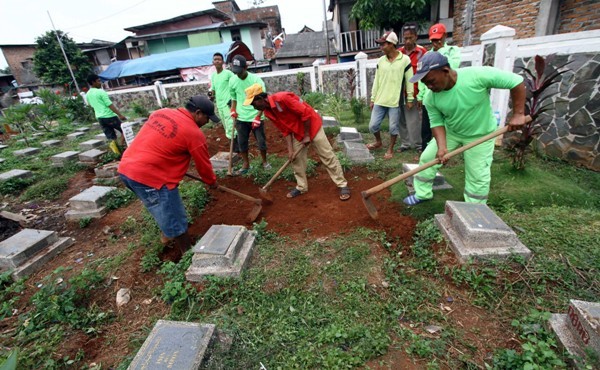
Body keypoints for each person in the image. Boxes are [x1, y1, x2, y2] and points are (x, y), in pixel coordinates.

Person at [404, 52, 526, 206]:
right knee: (427, 158)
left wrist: (518, 114)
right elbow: (437, 123)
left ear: (446, 71)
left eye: (431, 81)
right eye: (425, 83)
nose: (429, 86)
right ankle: (422, 193)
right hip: (452, 132)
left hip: (481, 135)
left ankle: (475, 209)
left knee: (477, 174)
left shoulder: (476, 76)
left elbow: (515, 81)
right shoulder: (430, 97)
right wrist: (442, 147)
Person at [118, 95, 219, 254]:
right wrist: (211, 182)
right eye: (207, 118)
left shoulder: (161, 112)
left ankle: (166, 234)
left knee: (160, 206)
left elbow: (158, 142)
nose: (207, 123)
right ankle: (187, 254)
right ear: (198, 113)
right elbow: (203, 166)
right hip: (149, 178)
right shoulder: (193, 133)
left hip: (126, 169)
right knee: (175, 217)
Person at [244, 83, 351, 201]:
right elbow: (285, 130)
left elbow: (305, 113)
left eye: (253, 104)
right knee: (296, 159)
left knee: (327, 155)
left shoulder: (283, 98)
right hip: (297, 133)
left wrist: (307, 135)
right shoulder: (268, 112)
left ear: (260, 98)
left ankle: (342, 184)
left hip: (312, 127)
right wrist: (290, 150)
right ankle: (301, 187)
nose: (254, 108)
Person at [366, 31, 414, 160]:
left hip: (395, 101)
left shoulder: (405, 60)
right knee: (373, 125)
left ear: (392, 44)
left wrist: (410, 98)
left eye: (383, 44)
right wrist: (373, 98)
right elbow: (377, 80)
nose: (381, 47)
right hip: (380, 100)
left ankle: (390, 148)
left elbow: (410, 80)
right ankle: (378, 142)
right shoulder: (381, 61)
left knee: (393, 127)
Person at [417, 23, 461, 153]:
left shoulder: (452, 51)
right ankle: (426, 150)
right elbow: (422, 79)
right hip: (429, 97)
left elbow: (452, 67)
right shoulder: (427, 56)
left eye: (438, 39)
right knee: (427, 127)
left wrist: (440, 53)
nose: (436, 42)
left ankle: (443, 148)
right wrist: (420, 96)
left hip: (445, 94)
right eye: (433, 40)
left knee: (443, 125)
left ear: (445, 36)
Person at [228, 55, 270, 174]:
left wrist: (258, 116)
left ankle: (265, 162)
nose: (238, 74)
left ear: (246, 67)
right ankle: (246, 164)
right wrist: (233, 109)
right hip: (241, 117)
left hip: (255, 115)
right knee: (242, 142)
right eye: (235, 72)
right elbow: (233, 97)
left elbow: (263, 101)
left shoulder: (256, 81)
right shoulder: (233, 80)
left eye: (240, 71)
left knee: (261, 141)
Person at [398, 24, 428, 152]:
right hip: (399, 93)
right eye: (405, 38)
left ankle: (417, 144)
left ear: (415, 37)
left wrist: (421, 94)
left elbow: (425, 73)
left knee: (414, 120)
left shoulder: (422, 52)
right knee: (401, 119)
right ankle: (405, 143)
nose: (408, 41)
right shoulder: (399, 53)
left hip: (415, 92)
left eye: (410, 38)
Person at [86, 74, 127, 154]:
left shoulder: (88, 94)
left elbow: (91, 105)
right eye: (98, 81)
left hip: (100, 118)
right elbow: (109, 105)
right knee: (124, 130)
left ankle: (116, 152)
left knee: (111, 137)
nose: (100, 83)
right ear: (93, 82)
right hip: (109, 116)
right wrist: (120, 115)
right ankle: (121, 146)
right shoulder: (101, 92)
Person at [209, 52, 237, 146]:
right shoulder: (213, 76)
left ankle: (236, 147)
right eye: (215, 59)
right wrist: (211, 94)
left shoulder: (228, 73)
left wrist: (233, 99)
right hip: (220, 105)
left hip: (228, 104)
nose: (217, 61)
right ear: (213, 62)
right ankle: (232, 146)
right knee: (225, 125)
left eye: (219, 59)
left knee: (230, 124)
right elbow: (213, 89)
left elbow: (235, 83)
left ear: (222, 62)